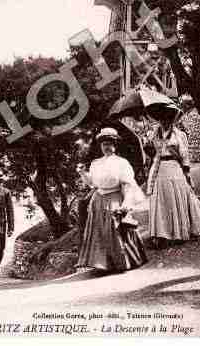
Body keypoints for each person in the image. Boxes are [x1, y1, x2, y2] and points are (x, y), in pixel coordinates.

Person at [76, 128, 147, 273]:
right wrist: (83, 173)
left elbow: (127, 184)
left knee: (116, 231)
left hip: (114, 198)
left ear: (115, 146)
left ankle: (121, 262)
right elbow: (93, 183)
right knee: (99, 232)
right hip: (98, 200)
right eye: (104, 144)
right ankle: (103, 263)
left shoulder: (121, 163)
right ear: (100, 146)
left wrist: (126, 204)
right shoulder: (96, 163)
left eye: (109, 144)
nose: (106, 147)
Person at [145, 104, 200, 247]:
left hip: (174, 167)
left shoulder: (178, 134)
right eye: (161, 118)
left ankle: (178, 232)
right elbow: (152, 153)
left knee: (175, 195)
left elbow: (184, 155)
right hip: (159, 168)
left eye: (167, 118)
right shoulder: (154, 134)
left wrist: (187, 171)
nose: (164, 120)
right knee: (161, 198)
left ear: (171, 119)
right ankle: (162, 233)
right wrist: (148, 146)